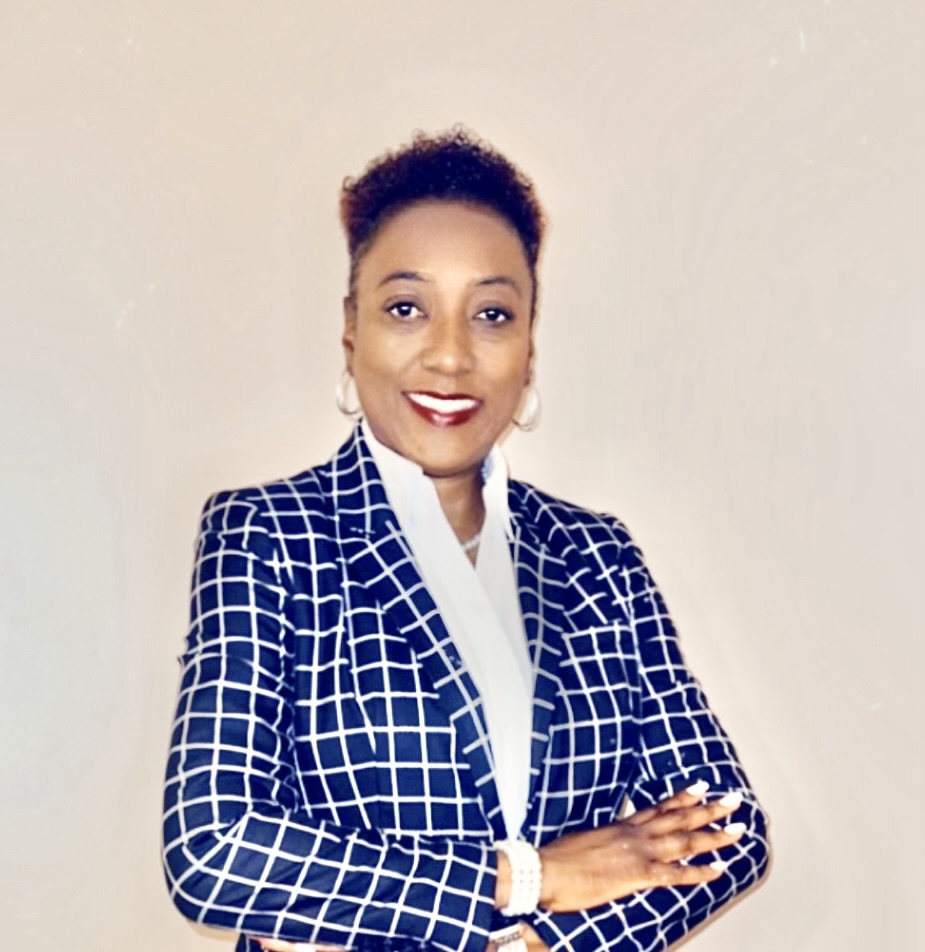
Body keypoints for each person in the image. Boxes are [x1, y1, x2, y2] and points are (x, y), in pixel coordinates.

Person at [162, 128, 770, 952]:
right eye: (405, 308)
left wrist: (539, 947)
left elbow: (728, 830)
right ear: (351, 329)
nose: (449, 356)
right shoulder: (267, 536)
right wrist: (531, 878)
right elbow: (212, 850)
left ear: (528, 344)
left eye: (490, 314)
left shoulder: (596, 556)